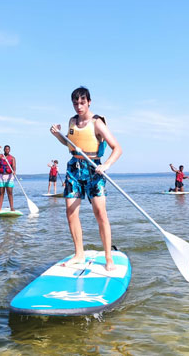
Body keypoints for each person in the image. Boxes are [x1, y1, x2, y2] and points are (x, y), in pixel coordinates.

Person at [50, 86, 122, 272]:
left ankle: (108, 257)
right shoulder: (72, 121)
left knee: (100, 213)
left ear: (89, 102)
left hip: (94, 170)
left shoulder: (97, 123)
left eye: (82, 103)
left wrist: (105, 165)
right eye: (75, 103)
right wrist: (58, 135)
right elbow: (69, 143)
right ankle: (79, 254)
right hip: (74, 168)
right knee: (70, 212)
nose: (79, 106)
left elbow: (117, 148)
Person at [0, 145, 16, 211]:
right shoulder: (0, 156)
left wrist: (14, 171)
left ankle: (12, 207)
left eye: (8, 149)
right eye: (6, 149)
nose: (7, 150)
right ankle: (0, 208)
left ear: (9, 150)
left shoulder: (12, 158)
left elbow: (14, 166)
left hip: (9, 176)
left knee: (10, 193)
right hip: (1, 176)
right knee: (1, 193)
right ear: (4, 150)